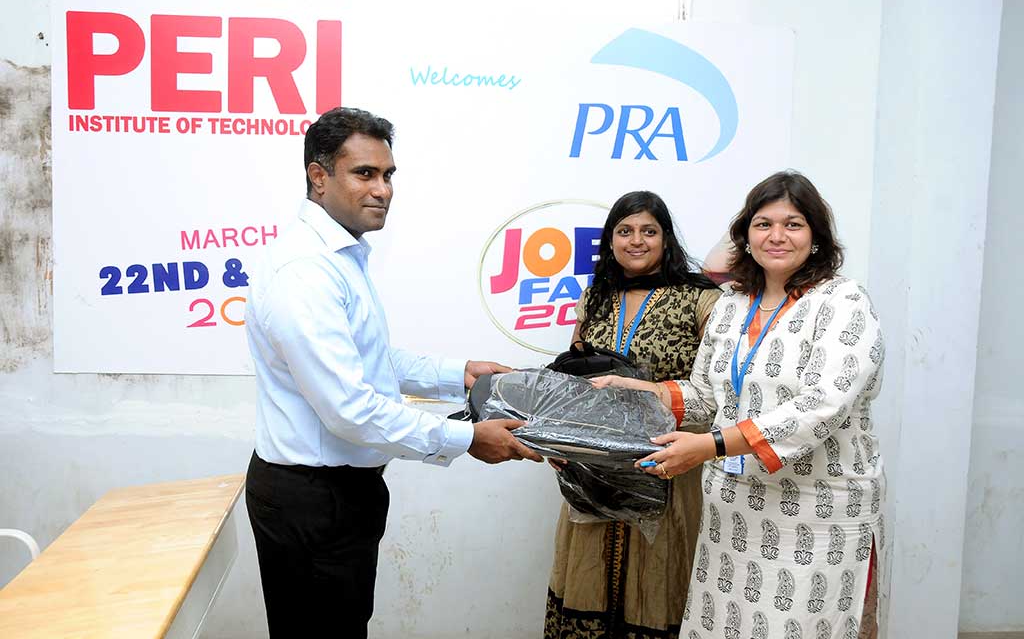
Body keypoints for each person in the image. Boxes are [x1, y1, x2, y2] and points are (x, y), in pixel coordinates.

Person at [244, 106, 542, 639]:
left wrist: (460, 374)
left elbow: (371, 358)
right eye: (365, 174)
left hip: (337, 494)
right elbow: (350, 410)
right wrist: (467, 438)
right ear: (319, 177)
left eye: (388, 175)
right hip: (314, 499)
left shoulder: (338, 254)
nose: (383, 190)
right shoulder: (306, 271)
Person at [596, 171, 885, 639]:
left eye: (793, 224)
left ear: (816, 236)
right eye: (763, 224)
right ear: (745, 236)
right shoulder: (732, 303)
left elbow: (821, 406)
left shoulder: (843, 302)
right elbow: (707, 396)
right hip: (732, 507)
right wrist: (639, 390)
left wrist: (709, 447)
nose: (776, 236)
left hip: (817, 513)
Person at [544, 191, 722, 639]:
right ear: (610, 240)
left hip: (668, 464)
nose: (636, 241)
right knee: (589, 576)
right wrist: (558, 442)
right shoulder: (595, 297)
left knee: (658, 579)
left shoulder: (702, 300)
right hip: (595, 468)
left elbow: (716, 390)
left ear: (666, 238)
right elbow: (572, 378)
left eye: (648, 231)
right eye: (625, 231)